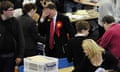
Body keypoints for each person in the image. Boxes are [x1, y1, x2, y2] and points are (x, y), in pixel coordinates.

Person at [0, 1, 24, 72]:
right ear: (3, 11)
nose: (12, 12)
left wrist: (20, 55)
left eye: (13, 9)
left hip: (11, 56)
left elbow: (21, 39)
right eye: (10, 10)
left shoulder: (15, 22)